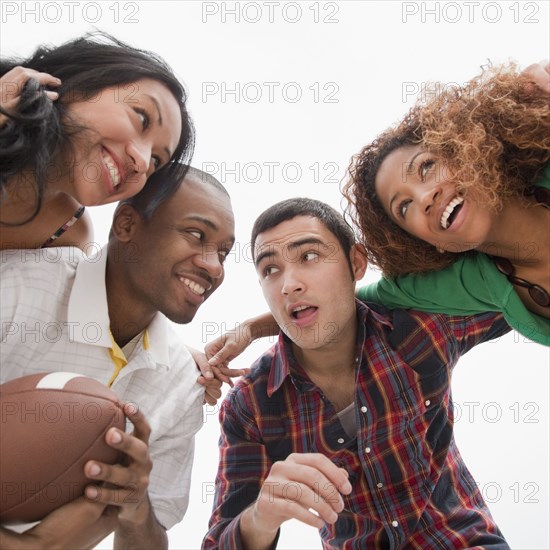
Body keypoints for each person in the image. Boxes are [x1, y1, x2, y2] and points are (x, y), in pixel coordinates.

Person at [202, 198, 510, 549]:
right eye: (270, 270)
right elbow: (218, 543)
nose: (289, 285)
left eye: (309, 256)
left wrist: (254, 327)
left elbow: (518, 278)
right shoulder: (252, 404)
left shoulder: (416, 326)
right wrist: (260, 516)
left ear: (356, 263)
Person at [0, 167, 241, 549]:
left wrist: (136, 506)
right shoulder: (17, 290)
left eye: (224, 253)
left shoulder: (184, 383)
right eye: (196, 235)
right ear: (126, 225)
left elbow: (150, 540)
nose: (214, 266)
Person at [342, 60, 549, 345]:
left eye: (426, 167)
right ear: (424, 243)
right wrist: (257, 327)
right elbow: (337, 303)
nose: (425, 197)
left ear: (469, 149)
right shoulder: (474, 283)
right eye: (404, 207)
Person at [0, 32, 194, 251]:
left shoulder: (68, 236)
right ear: (81, 83)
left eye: (156, 161)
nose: (142, 162)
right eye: (142, 118)